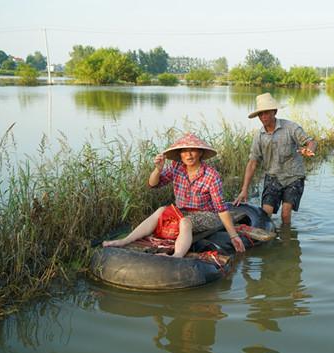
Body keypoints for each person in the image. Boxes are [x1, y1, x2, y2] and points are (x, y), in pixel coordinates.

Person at [103, 132, 245, 256]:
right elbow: (153, 184)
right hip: (181, 212)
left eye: (193, 150)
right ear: (180, 155)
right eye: (185, 151)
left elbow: (221, 208)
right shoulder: (176, 167)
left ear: (200, 153)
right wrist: (158, 170)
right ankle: (125, 240)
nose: (188, 155)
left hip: (207, 215)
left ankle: (176, 256)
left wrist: (233, 236)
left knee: (185, 222)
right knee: (161, 210)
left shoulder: (211, 175)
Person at [234, 93, 317, 224]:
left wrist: (309, 150)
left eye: (266, 113)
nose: (263, 117)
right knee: (265, 213)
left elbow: (311, 142)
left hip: (293, 177)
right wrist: (244, 189)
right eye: (260, 114)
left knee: (285, 213)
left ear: (275, 111)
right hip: (273, 177)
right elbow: (252, 163)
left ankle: (286, 240)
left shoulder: (290, 127)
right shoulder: (259, 136)